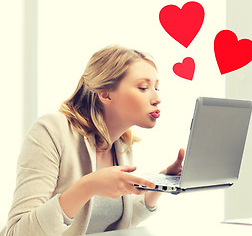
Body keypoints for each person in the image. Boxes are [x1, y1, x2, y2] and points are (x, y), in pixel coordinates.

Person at [0, 45, 184, 236]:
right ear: (105, 94)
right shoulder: (51, 130)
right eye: (143, 88)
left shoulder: (121, 144)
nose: (157, 98)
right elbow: (17, 232)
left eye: (156, 87)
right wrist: (88, 186)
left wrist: (162, 182)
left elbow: (113, 224)